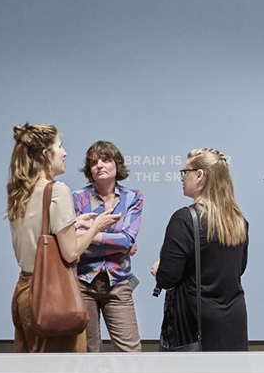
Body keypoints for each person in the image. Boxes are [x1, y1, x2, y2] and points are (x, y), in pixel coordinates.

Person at [7, 124, 120, 353]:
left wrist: (74, 224)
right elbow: (71, 251)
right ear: (46, 154)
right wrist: (96, 226)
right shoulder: (57, 190)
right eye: (59, 146)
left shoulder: (19, 190)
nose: (65, 152)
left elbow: (39, 235)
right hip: (51, 297)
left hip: (24, 292)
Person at [153, 148, 250, 351]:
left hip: (195, 322)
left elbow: (167, 279)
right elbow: (237, 270)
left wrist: (158, 270)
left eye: (184, 172)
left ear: (199, 176)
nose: (181, 178)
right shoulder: (238, 220)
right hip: (234, 318)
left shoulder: (184, 219)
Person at [72, 141, 143, 352]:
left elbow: (128, 240)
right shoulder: (77, 198)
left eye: (105, 160)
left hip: (117, 281)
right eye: (93, 162)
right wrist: (117, 245)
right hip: (82, 281)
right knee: (88, 352)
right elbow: (72, 241)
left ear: (116, 164)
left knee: (131, 352)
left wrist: (90, 233)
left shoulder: (132, 197)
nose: (99, 166)